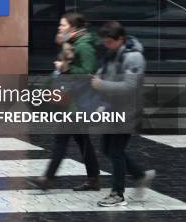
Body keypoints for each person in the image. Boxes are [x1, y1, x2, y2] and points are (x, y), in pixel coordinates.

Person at [27, 12, 101, 191]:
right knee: (83, 142)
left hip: (78, 103)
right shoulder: (72, 43)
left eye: (63, 25)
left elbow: (88, 72)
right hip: (72, 102)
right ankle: (93, 179)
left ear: (73, 28)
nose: (59, 28)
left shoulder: (84, 46)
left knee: (61, 139)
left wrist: (64, 67)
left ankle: (48, 178)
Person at [91, 21, 156, 207]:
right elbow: (103, 76)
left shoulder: (133, 57)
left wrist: (101, 84)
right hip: (112, 109)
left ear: (120, 39)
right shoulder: (111, 54)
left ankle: (117, 194)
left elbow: (130, 86)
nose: (106, 45)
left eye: (109, 41)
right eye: (104, 41)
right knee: (106, 149)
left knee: (115, 151)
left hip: (128, 111)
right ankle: (140, 175)